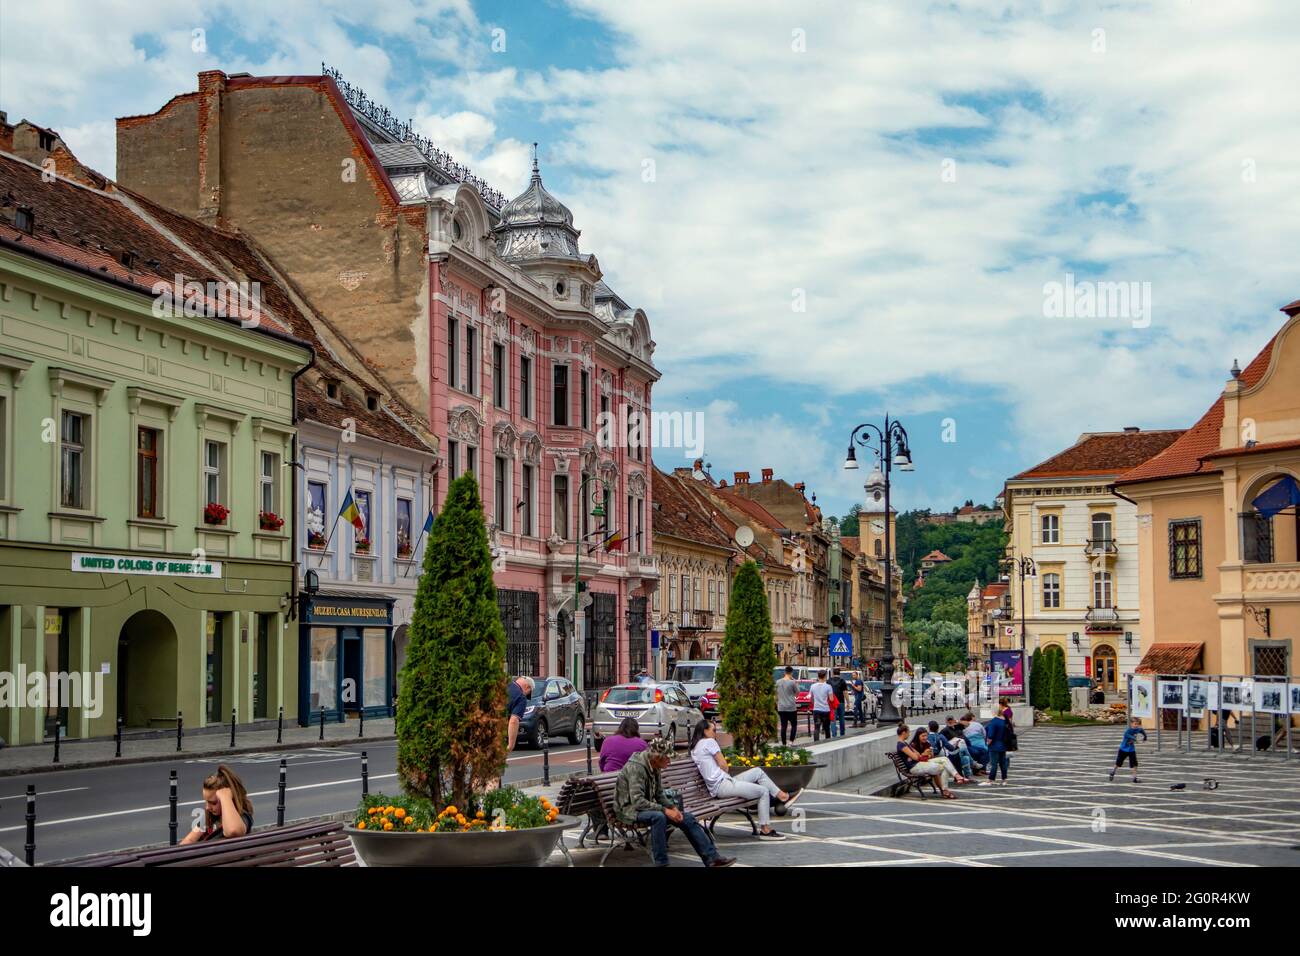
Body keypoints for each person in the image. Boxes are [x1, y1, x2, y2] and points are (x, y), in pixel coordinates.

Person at [613, 736, 735, 867]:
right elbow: (637, 802)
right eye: (668, 758)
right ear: (657, 757)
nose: (670, 761)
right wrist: (665, 810)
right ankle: (661, 863)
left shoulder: (654, 765)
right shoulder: (636, 768)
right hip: (628, 810)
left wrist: (673, 808)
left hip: (643, 807)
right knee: (658, 817)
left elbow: (659, 793)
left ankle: (712, 858)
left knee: (687, 818)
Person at [690, 719, 799, 840]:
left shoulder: (695, 747)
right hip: (722, 785)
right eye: (714, 730)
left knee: (758, 772)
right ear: (705, 731)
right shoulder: (709, 742)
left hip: (722, 784)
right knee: (763, 791)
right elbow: (724, 765)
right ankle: (765, 830)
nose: (715, 733)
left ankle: (782, 796)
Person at [181, 765, 253, 844]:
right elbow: (190, 839)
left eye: (213, 803)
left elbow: (233, 831)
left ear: (230, 799)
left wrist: (225, 797)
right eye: (206, 801)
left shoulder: (242, 817)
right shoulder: (210, 815)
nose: (207, 807)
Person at [896, 724, 956, 798]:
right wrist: (918, 755)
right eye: (908, 732)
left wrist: (918, 755)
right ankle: (945, 790)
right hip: (915, 767)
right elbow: (916, 757)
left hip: (918, 764)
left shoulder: (904, 743)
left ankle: (945, 790)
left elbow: (917, 755)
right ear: (903, 733)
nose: (909, 734)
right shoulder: (901, 745)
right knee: (944, 767)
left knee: (945, 764)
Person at [1109, 717, 1148, 783]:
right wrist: (1135, 739)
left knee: (1135, 764)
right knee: (1119, 763)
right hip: (1123, 749)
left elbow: (1142, 731)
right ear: (1131, 724)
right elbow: (1127, 735)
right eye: (1135, 724)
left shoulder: (1138, 729)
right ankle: (1113, 771)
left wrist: (1145, 737)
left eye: (1138, 724)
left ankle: (1134, 778)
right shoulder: (1128, 731)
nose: (1136, 725)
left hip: (1131, 750)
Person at [505, 675, 535, 753]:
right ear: (527, 687)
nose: (526, 695)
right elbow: (514, 721)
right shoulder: (521, 698)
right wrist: (511, 745)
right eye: (529, 693)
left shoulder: (505, 683)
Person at [983, 707, 1012, 786]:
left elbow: (991, 735)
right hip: (1004, 745)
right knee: (1003, 763)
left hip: (994, 745)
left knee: (994, 764)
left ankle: (991, 780)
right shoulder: (1005, 721)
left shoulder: (994, 722)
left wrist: (987, 743)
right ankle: (1004, 780)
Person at [776, 666, 800, 745]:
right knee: (794, 725)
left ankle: (784, 743)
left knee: (783, 726)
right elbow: (797, 693)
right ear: (791, 673)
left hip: (781, 707)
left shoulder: (778, 682)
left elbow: (775, 694)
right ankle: (791, 742)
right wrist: (796, 682)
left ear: (784, 672)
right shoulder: (792, 682)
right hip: (791, 707)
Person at [810, 670, 834, 741]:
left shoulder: (813, 686)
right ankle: (827, 742)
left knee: (816, 728)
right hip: (826, 710)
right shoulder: (828, 686)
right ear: (825, 676)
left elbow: (811, 698)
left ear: (818, 676)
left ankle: (816, 743)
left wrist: (814, 703)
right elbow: (831, 699)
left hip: (816, 709)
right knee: (827, 728)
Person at [829, 669, 850, 738]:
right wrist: (848, 702)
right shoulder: (842, 681)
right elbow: (845, 692)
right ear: (839, 673)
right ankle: (842, 734)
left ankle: (834, 734)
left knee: (833, 719)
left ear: (833, 673)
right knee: (841, 718)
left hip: (832, 702)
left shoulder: (829, 681)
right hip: (841, 702)